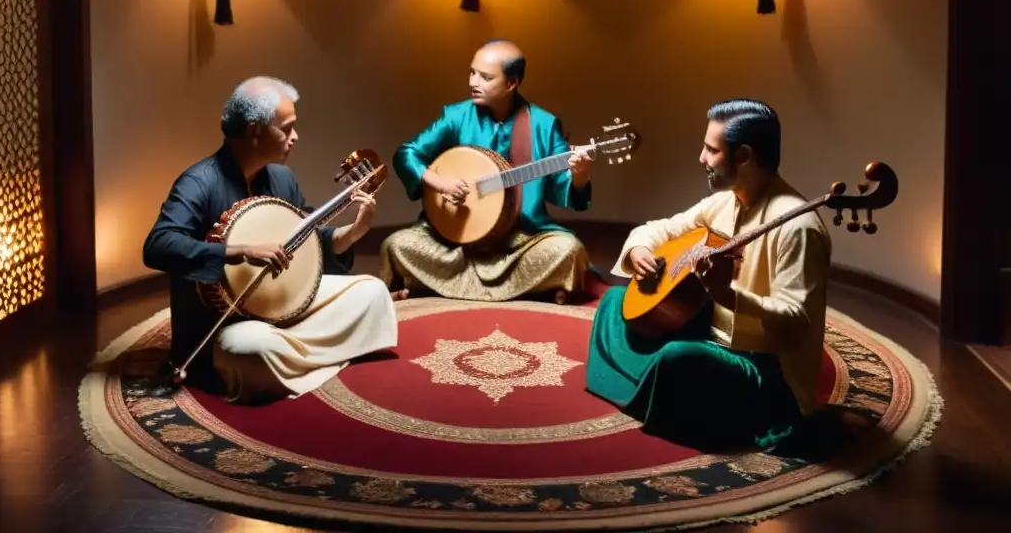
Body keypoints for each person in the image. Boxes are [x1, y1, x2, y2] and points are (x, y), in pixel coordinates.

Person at [142, 76, 407, 404]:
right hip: (225, 323)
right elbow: (158, 245)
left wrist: (351, 233)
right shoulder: (199, 182)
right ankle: (303, 353)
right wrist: (239, 251)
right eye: (287, 128)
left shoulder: (281, 178)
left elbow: (305, 241)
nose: (295, 137)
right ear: (254, 130)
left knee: (372, 292)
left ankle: (292, 358)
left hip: (281, 303)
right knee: (252, 349)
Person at [585, 99, 831, 451]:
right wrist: (640, 251)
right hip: (704, 328)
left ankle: (650, 385)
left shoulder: (798, 228)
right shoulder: (725, 201)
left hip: (761, 366)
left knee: (678, 359)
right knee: (613, 303)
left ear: (744, 157)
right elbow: (661, 229)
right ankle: (652, 389)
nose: (702, 158)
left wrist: (727, 296)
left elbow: (796, 321)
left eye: (711, 149)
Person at [380, 40, 594, 302]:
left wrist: (580, 174)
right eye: (472, 72)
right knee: (395, 245)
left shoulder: (543, 125)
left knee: (570, 250)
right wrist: (438, 182)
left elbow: (566, 186)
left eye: (485, 77)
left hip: (517, 241)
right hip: (455, 238)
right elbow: (406, 153)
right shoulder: (456, 116)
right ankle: (537, 288)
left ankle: (440, 285)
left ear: (511, 83)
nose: (473, 82)